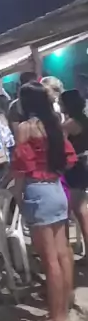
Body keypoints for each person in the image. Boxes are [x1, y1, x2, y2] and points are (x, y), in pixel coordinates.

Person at [12, 82, 76, 321]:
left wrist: (18, 196)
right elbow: (69, 159)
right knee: (63, 254)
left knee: (50, 260)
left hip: (38, 190)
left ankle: (56, 320)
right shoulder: (54, 126)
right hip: (57, 188)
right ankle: (64, 310)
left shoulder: (26, 128)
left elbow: (20, 167)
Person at [61, 89, 88, 254]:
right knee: (81, 210)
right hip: (83, 165)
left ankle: (67, 251)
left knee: (78, 211)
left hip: (74, 168)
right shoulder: (84, 120)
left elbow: (61, 147)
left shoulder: (68, 125)